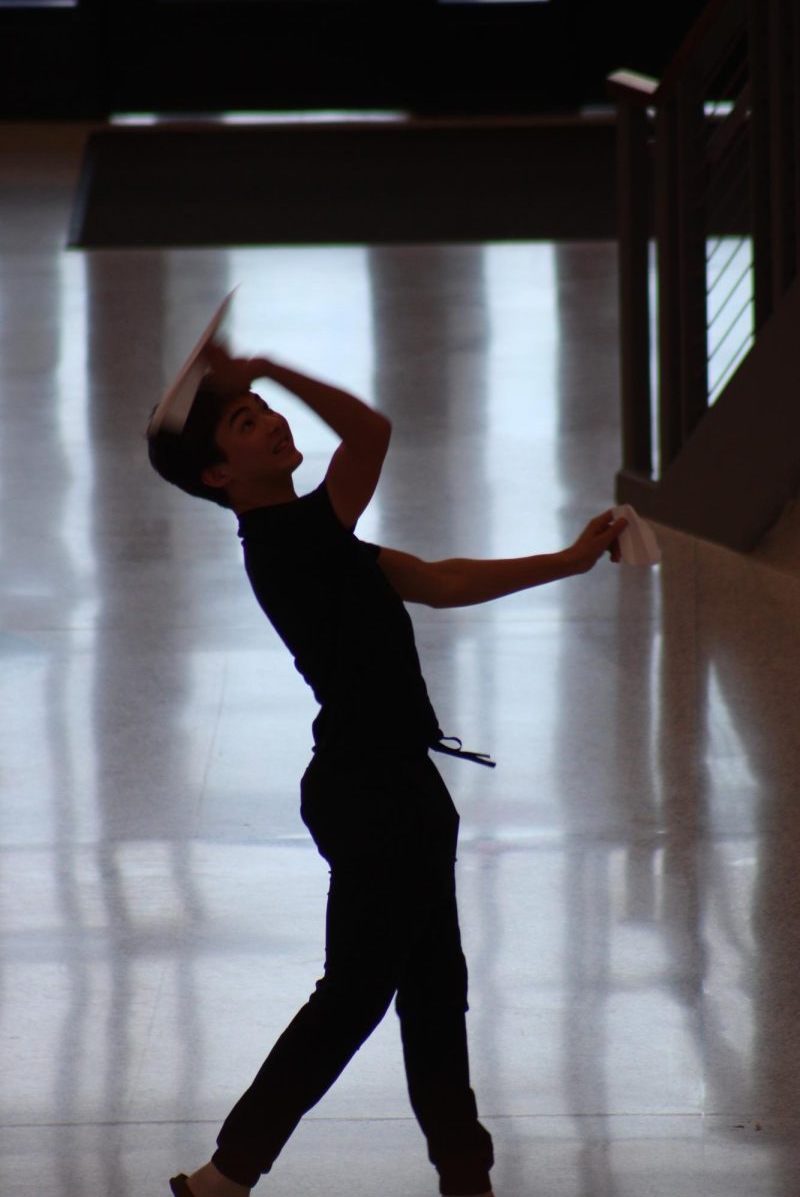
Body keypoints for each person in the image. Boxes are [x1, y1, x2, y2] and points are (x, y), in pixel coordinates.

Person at [147, 342, 626, 1197]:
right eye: (247, 422)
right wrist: (267, 365)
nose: (272, 423)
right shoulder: (291, 537)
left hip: (392, 787)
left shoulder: (312, 542)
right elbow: (370, 432)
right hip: (373, 795)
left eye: (263, 411)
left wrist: (567, 560)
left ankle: (464, 1174)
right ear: (220, 475)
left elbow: (434, 581)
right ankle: (227, 1174)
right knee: (359, 994)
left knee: (434, 991)